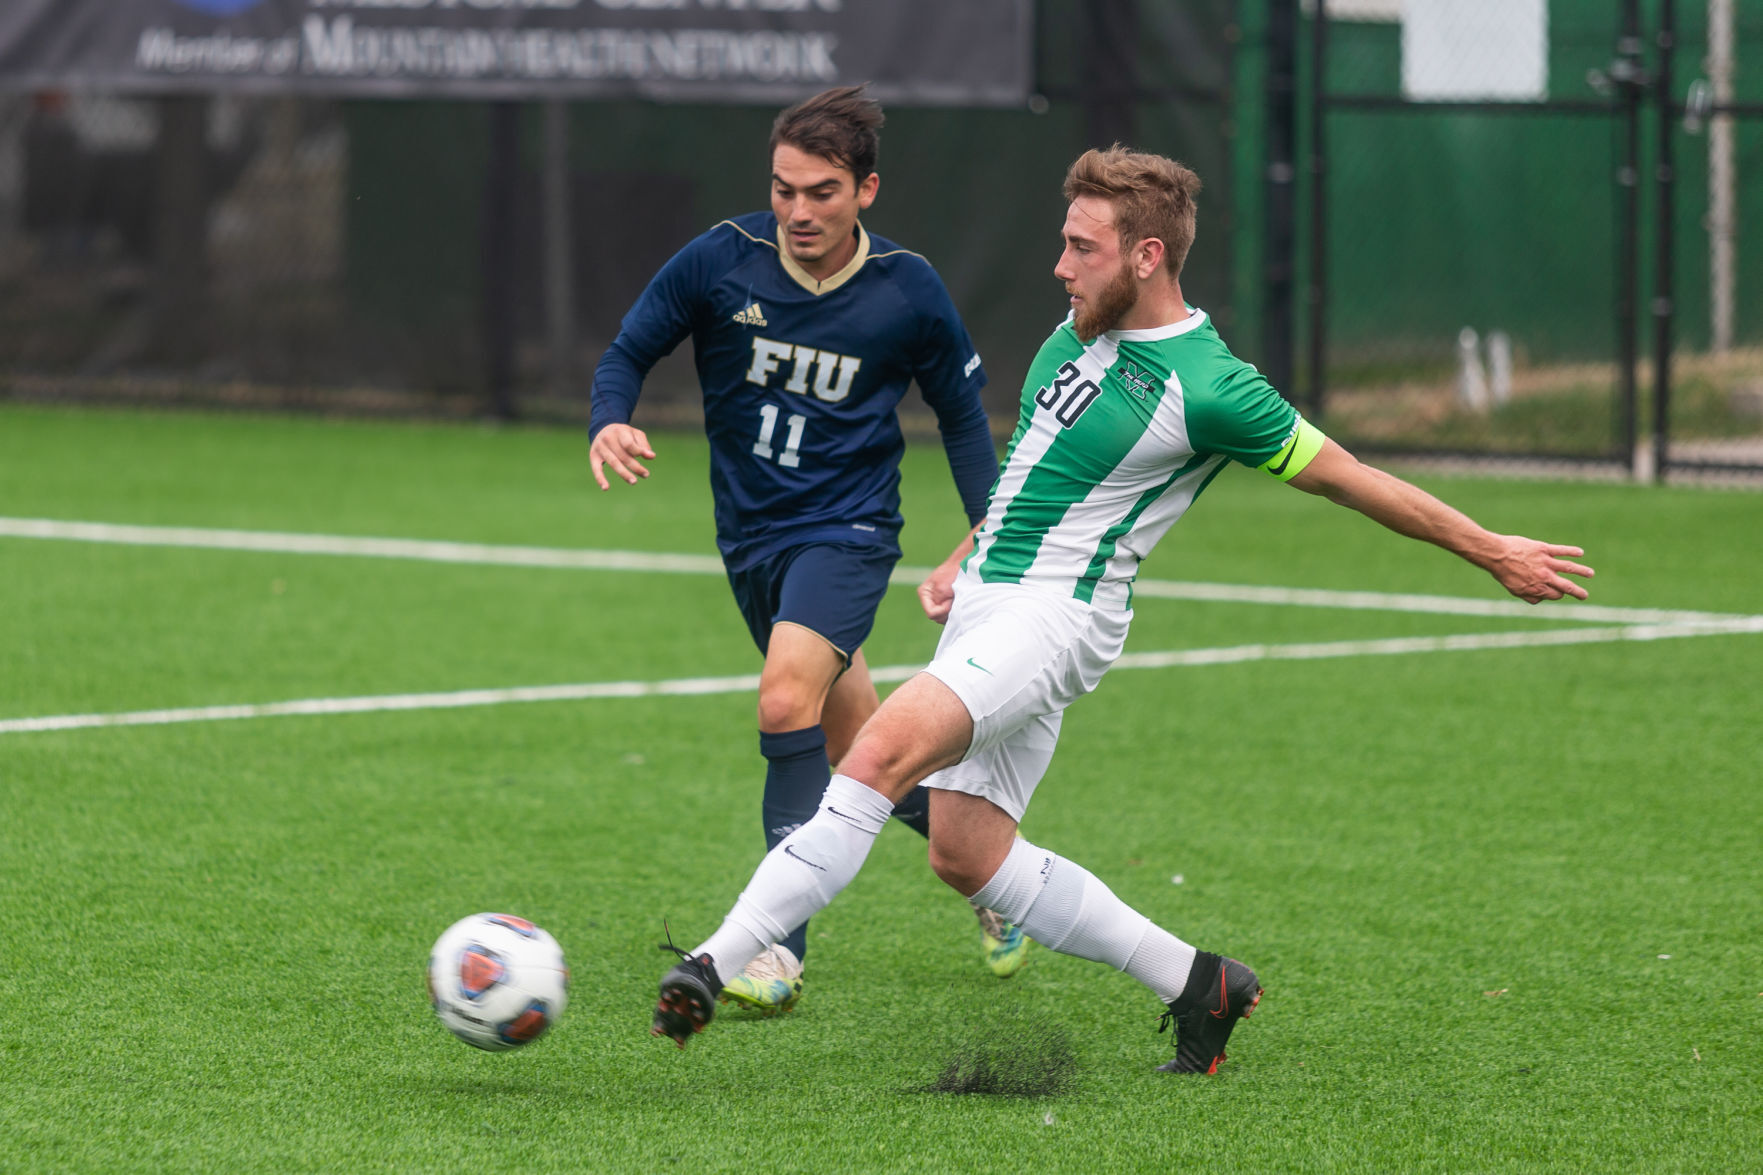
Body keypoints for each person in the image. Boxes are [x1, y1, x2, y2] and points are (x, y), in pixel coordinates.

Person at [649, 145, 1596, 1073]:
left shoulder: (1212, 386)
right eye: (1062, 242)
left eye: (1081, 247)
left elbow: (1352, 479)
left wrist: (1491, 548)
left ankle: (716, 961)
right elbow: (1034, 471)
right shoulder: (1077, 331)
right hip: (994, 607)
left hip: (1053, 621)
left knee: (874, 752)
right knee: (966, 853)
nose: (1060, 266)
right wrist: (963, 556)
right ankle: (1200, 982)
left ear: (1146, 256)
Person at [590, 86, 1024, 1016]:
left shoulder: (907, 289)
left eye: (821, 191)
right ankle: (997, 874)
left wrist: (994, 533)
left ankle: (775, 950)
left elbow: (960, 418)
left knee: (785, 693)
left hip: (848, 530)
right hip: (750, 539)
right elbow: (628, 349)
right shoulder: (721, 259)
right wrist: (608, 419)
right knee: (862, 756)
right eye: (784, 189)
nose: (797, 211)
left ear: (866, 189)